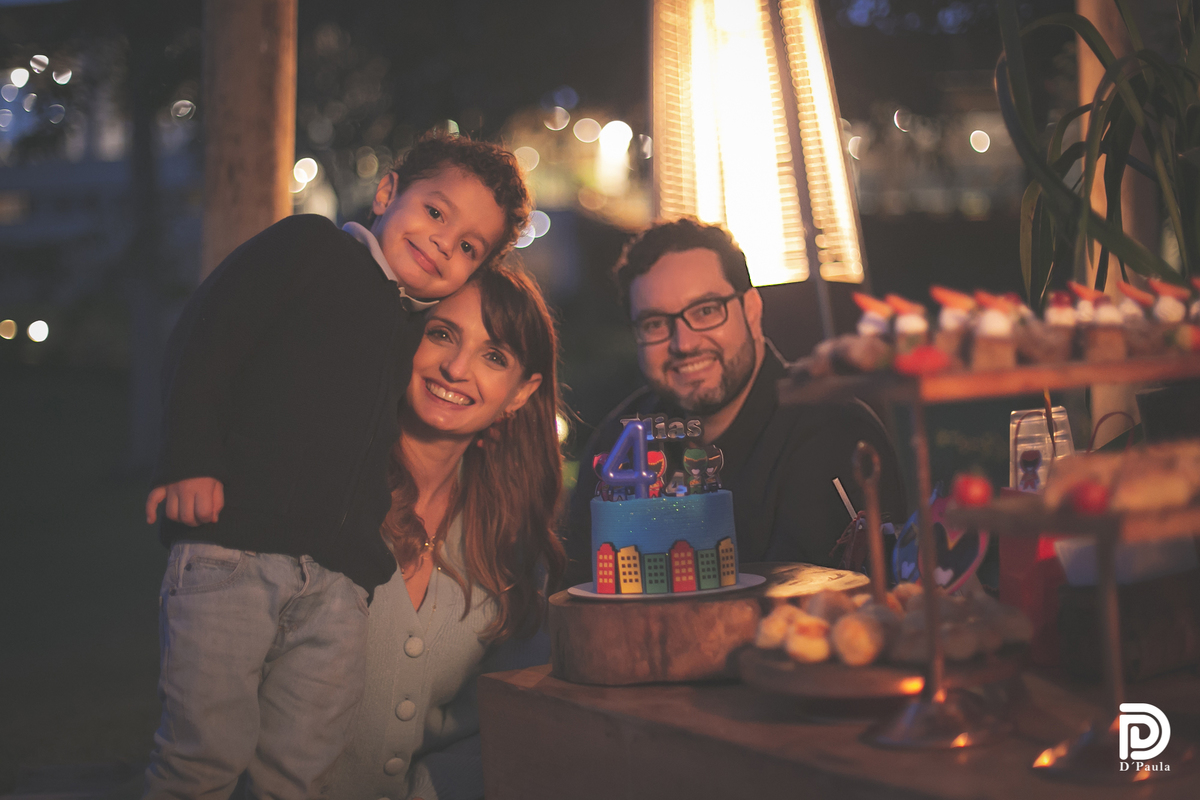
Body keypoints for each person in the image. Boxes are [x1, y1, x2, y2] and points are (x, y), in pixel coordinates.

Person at [142, 133, 530, 799]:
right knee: (204, 755)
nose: (444, 242)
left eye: (469, 245)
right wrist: (190, 462)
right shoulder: (311, 249)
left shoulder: (410, 328)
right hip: (237, 547)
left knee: (300, 768)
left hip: (339, 582)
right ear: (387, 191)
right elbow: (209, 335)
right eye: (436, 212)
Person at [564, 218, 907, 588]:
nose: (684, 343)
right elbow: (578, 594)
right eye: (654, 324)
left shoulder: (835, 430)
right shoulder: (617, 445)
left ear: (753, 310)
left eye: (706, 311)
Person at [327, 266, 565, 800]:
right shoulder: (327, 491)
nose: (457, 368)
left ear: (521, 392)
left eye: (494, 356)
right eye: (442, 334)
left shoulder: (511, 537)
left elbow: (510, 719)